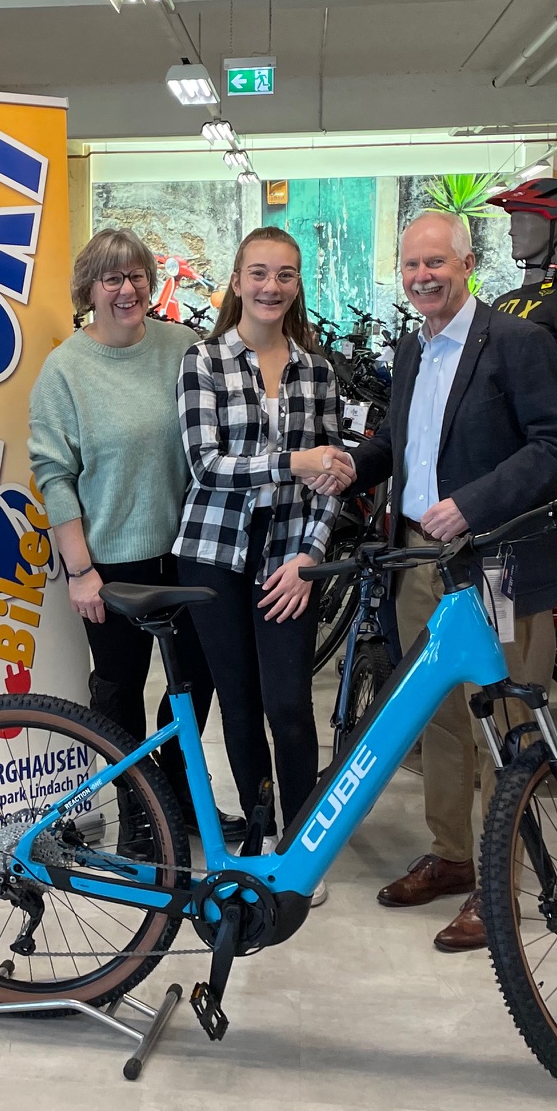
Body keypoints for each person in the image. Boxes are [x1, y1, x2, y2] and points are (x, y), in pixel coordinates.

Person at [344, 211, 557, 952]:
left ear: (469, 263)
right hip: (425, 563)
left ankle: (497, 878)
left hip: (498, 562)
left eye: (436, 264)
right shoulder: (412, 349)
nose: (423, 277)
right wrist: (357, 463)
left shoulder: (519, 343)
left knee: (504, 724)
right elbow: (406, 440)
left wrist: (473, 505)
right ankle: (452, 853)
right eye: (412, 265)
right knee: (440, 717)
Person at [28, 228, 236, 840]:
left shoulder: (184, 346)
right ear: (89, 289)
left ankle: (179, 799)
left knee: (194, 684)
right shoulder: (65, 369)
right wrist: (79, 569)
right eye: (112, 278)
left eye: (138, 275)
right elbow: (54, 474)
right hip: (113, 564)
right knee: (119, 692)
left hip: (193, 552)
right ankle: (137, 813)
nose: (128, 289)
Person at [172, 227, 351, 900]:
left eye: (284, 275)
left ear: (297, 284)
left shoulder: (319, 370)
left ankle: (301, 845)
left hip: (290, 552)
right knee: (239, 704)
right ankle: (256, 834)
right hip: (214, 553)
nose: (270, 287)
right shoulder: (203, 362)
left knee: (289, 702)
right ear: (238, 280)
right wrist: (292, 463)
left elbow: (332, 477)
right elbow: (206, 465)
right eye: (258, 273)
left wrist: (310, 554)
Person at [487, 178, 557, 433]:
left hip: (537, 455)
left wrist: (545, 447)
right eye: (512, 219)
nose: (512, 230)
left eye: (524, 219)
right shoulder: (502, 302)